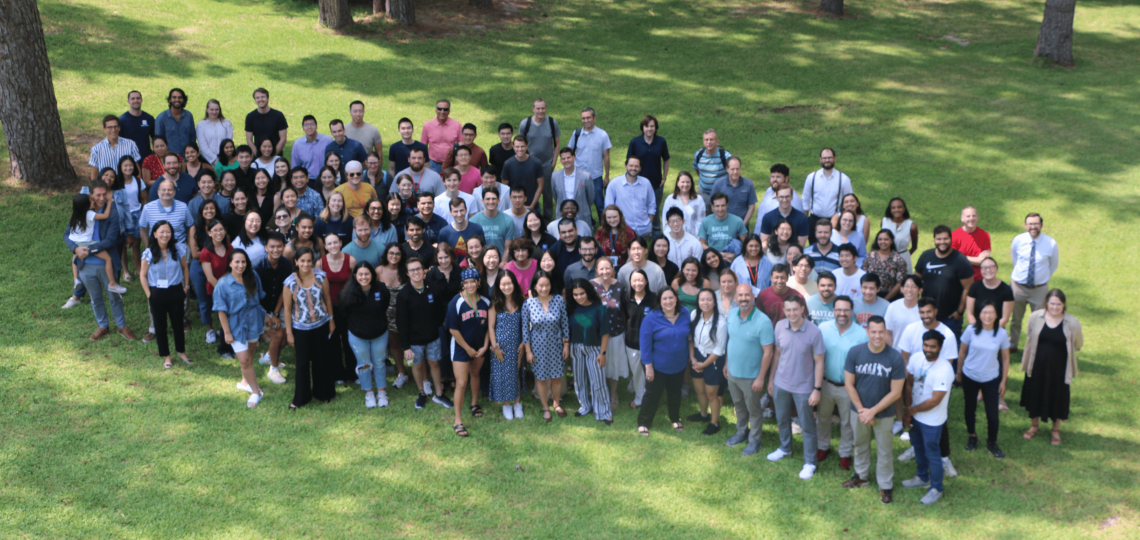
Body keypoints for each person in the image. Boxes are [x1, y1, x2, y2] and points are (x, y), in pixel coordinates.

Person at [843, 316, 907, 503]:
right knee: (860, 444)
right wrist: (863, 410)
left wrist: (873, 411)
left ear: (886, 332)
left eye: (881, 332)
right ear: (867, 332)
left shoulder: (895, 357)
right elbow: (849, 384)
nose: (877, 336)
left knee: (885, 450)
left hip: (884, 414)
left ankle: (885, 485)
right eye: (873, 332)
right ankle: (861, 476)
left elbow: (896, 392)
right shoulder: (855, 352)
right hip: (859, 412)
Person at [896, 299, 959, 476]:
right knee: (915, 422)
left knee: (938, 423)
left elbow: (948, 363)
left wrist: (929, 382)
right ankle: (916, 450)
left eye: (929, 312)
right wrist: (913, 376)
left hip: (935, 386)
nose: (925, 316)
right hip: (915, 382)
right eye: (922, 312)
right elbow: (905, 356)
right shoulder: (911, 329)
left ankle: (944, 457)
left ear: (936, 311)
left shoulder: (947, 334)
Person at [65, 181, 136, 339]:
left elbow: (110, 240)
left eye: (105, 194)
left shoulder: (113, 212)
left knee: (114, 297)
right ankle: (102, 326)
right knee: (95, 298)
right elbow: (67, 234)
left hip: (105, 263)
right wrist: (76, 249)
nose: (102, 198)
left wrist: (88, 250)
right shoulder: (81, 210)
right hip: (85, 265)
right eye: (98, 195)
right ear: (91, 195)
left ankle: (122, 326)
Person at [767, 294, 826, 480]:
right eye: (788, 310)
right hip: (781, 383)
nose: (792, 313)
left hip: (804, 387)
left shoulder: (814, 332)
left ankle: (810, 462)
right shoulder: (779, 326)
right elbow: (777, 354)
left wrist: (817, 389)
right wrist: (771, 380)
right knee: (782, 419)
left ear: (802, 309)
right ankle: (785, 448)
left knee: (807, 426)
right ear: (784, 311)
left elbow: (819, 362)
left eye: (795, 309)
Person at [1020, 289, 1081, 446]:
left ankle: (1055, 431)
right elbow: (1029, 334)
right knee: (1035, 395)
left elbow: (1078, 344)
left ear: (1063, 305)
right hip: (1037, 366)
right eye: (1052, 303)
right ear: (1046, 303)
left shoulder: (1072, 323)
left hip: (1059, 370)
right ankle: (1034, 426)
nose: (1054, 307)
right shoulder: (1036, 317)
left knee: (1058, 398)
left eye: (1058, 304)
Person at [900, 331, 954, 505]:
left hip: (932, 420)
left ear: (940, 347)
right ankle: (922, 477)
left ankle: (937, 488)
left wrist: (912, 410)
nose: (928, 350)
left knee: (933, 454)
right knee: (918, 448)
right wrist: (908, 410)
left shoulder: (944, 369)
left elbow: (935, 401)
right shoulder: (916, 358)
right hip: (915, 415)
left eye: (933, 347)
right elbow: (909, 384)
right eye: (926, 345)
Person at [816, 296, 868, 470]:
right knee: (823, 418)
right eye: (838, 309)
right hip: (825, 383)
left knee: (847, 422)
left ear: (852, 312)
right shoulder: (823, 329)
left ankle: (845, 453)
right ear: (833, 311)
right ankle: (822, 446)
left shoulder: (861, 334)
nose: (842, 313)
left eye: (846, 310)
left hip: (848, 387)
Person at [398, 256, 455, 410]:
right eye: (412, 270)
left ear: (423, 271)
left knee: (435, 364)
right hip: (414, 341)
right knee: (416, 366)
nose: (416, 272)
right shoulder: (404, 294)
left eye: (418, 268)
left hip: (433, 337)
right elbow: (401, 322)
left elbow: (441, 310)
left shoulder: (433, 287)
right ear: (407, 273)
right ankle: (422, 392)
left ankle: (439, 394)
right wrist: (406, 347)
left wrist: (436, 325)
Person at [213, 249, 268, 408]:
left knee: (249, 355)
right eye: (236, 261)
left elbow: (258, 299)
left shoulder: (253, 276)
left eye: (243, 261)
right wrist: (227, 332)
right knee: (244, 360)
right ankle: (256, 392)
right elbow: (220, 310)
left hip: (253, 322)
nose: (240, 265)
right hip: (235, 325)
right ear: (230, 263)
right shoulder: (223, 284)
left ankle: (245, 381)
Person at [283, 248, 334, 408]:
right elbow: (287, 309)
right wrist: (289, 333)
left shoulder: (321, 276)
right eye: (302, 260)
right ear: (296, 262)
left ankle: (324, 393)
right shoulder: (289, 282)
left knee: (322, 359)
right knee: (302, 363)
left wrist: (331, 320)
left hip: (321, 324)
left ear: (312, 261)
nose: (305, 264)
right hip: (300, 328)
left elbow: (327, 298)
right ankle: (301, 398)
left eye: (308, 260)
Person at [957, 301, 1010, 457]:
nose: (987, 316)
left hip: (991, 379)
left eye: (991, 312)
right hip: (970, 376)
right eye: (984, 312)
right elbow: (962, 353)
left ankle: (992, 442)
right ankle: (972, 436)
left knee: (992, 414)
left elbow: (1006, 358)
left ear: (996, 315)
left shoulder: (1001, 333)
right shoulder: (970, 330)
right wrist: (959, 372)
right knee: (969, 409)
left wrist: (1003, 381)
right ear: (979, 314)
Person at [637, 288, 690, 435]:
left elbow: (688, 337)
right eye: (664, 299)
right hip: (656, 365)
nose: (668, 301)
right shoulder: (651, 318)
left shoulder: (685, 314)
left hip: (678, 364)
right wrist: (648, 367)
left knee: (675, 394)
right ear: (659, 301)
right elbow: (645, 345)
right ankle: (643, 422)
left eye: (671, 298)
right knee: (652, 395)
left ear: (676, 299)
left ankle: (674, 418)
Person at [339, 260, 390, 408]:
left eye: (367, 273)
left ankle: (381, 392)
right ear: (355, 275)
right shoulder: (347, 293)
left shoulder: (381, 288)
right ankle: (369, 393)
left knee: (380, 363)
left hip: (379, 333)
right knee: (364, 365)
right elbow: (343, 312)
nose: (364, 277)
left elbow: (385, 304)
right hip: (357, 335)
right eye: (360, 274)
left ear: (372, 275)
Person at [523, 271, 570, 422]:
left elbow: (565, 324)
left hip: (556, 344)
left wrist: (566, 346)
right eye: (541, 285)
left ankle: (556, 403)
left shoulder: (559, 300)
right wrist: (528, 351)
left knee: (557, 377)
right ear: (535, 286)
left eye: (547, 284)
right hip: (537, 346)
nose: (544, 288)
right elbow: (525, 329)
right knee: (541, 378)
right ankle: (545, 406)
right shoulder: (528, 303)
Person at [1009, 213, 1059, 352]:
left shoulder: (1050, 243)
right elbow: (1015, 259)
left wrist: (1041, 278)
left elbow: (1053, 264)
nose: (1033, 227)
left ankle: (1035, 347)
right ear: (1025, 225)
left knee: (1039, 321)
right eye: (1030, 224)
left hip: (1039, 290)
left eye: (1036, 223)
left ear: (1041, 225)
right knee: (1016, 319)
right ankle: (1013, 344)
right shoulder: (1018, 240)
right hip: (1018, 287)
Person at [566, 278, 612, 423]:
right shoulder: (571, 308)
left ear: (588, 292)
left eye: (582, 293)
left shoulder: (599, 308)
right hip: (575, 348)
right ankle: (584, 406)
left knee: (597, 381)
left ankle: (603, 412)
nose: (579, 297)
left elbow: (605, 333)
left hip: (594, 349)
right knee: (579, 380)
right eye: (575, 294)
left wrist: (602, 353)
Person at [915, 225, 973, 340]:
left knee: (951, 351)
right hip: (927, 315)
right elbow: (915, 281)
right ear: (934, 239)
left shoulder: (960, 260)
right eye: (939, 239)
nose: (942, 242)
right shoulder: (926, 256)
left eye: (945, 239)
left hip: (950, 317)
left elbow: (968, 288)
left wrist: (959, 312)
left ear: (951, 239)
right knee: (926, 348)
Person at [67, 191, 127, 295]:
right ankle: (112, 283)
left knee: (75, 257)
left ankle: (76, 279)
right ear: (85, 206)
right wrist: (109, 203)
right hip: (87, 243)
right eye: (91, 202)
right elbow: (105, 215)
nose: (93, 202)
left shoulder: (75, 215)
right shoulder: (89, 214)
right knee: (108, 258)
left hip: (76, 243)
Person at [685, 288, 727, 434]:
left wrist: (703, 364)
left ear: (715, 302)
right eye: (702, 299)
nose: (705, 302)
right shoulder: (694, 315)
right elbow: (690, 339)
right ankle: (703, 414)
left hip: (713, 360)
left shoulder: (721, 322)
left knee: (711, 394)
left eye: (709, 299)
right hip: (697, 356)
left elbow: (719, 349)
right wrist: (692, 358)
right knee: (699, 390)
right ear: (698, 302)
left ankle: (714, 423)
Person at [488, 272, 525, 419]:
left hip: (517, 345)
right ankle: (506, 405)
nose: (506, 287)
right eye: (503, 284)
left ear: (514, 284)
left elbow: (525, 324)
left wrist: (523, 343)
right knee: (503, 375)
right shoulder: (495, 303)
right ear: (498, 286)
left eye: (509, 283)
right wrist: (495, 347)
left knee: (515, 373)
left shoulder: (521, 301)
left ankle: (517, 403)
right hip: (500, 347)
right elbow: (491, 327)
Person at [626, 115, 671, 235]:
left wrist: (664, 177)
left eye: (652, 126)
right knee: (639, 208)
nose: (649, 129)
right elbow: (629, 162)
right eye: (646, 126)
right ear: (642, 128)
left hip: (656, 183)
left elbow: (666, 159)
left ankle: (655, 231)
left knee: (654, 208)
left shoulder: (661, 142)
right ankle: (639, 231)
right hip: (638, 183)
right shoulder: (635, 142)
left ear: (656, 128)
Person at [519, 100, 561, 220]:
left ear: (546, 108)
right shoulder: (525, 123)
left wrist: (554, 162)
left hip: (547, 165)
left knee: (548, 194)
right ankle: (531, 218)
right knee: (531, 194)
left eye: (543, 108)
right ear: (533, 109)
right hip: (530, 165)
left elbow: (557, 144)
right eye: (538, 108)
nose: (540, 111)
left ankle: (547, 221)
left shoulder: (552, 123)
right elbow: (519, 143)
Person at [567, 107, 612, 218]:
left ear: (594, 118)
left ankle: (604, 228)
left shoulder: (602, 135)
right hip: (579, 176)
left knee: (600, 204)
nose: (586, 121)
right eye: (583, 118)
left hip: (595, 177)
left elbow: (606, 157)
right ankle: (587, 223)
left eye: (588, 118)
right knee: (579, 203)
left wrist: (607, 176)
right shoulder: (576, 134)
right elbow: (569, 153)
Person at [192, 217, 231, 345]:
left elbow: (231, 269)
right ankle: (210, 330)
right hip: (214, 285)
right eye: (215, 230)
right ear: (209, 233)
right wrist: (224, 291)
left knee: (226, 310)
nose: (218, 233)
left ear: (225, 231)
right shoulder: (206, 252)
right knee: (208, 306)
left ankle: (223, 330)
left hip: (227, 283)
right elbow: (210, 277)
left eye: (221, 230)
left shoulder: (229, 247)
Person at [621, 270, 655, 409]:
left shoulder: (653, 298)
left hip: (650, 343)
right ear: (630, 282)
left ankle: (650, 397)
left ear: (646, 281)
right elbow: (624, 317)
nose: (637, 283)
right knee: (636, 371)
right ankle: (639, 398)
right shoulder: (627, 298)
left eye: (641, 280)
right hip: (631, 342)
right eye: (634, 280)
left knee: (650, 371)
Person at [604, 157, 655, 236]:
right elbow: (609, 207)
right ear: (626, 166)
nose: (633, 168)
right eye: (631, 165)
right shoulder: (614, 184)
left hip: (643, 229)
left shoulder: (646, 183)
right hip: (623, 230)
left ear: (640, 168)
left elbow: (652, 204)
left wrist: (650, 223)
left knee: (643, 248)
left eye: (636, 166)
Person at [802, 147, 853, 225]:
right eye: (824, 158)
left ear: (834, 158)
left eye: (830, 158)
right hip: (814, 220)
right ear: (820, 159)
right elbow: (805, 200)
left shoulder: (843, 179)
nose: (827, 160)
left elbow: (849, 202)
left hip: (835, 220)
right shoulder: (811, 177)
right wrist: (804, 222)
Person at [501, 135, 545, 214]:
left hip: (532, 207)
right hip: (513, 208)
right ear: (513, 147)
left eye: (522, 146)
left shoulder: (536, 163)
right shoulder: (508, 164)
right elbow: (504, 189)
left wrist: (532, 205)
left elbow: (540, 186)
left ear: (527, 146)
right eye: (517, 147)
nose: (520, 149)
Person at [699, 193, 748, 263]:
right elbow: (702, 243)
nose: (720, 209)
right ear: (712, 206)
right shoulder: (706, 221)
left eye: (723, 205)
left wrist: (736, 254)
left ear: (727, 205)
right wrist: (716, 254)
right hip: (713, 260)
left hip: (731, 259)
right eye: (717, 206)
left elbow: (746, 243)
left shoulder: (737, 221)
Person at [89, 115, 141, 180]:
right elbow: (95, 173)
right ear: (104, 129)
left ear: (119, 128)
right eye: (109, 127)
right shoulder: (96, 149)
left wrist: (138, 185)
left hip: (126, 185)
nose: (113, 130)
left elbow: (137, 169)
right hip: (107, 186)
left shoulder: (131, 144)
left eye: (115, 127)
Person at [863, 229, 908, 300]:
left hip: (889, 297)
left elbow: (899, 283)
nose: (882, 242)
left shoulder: (899, 260)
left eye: (886, 239)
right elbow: (864, 275)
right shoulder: (870, 256)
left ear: (891, 240)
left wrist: (885, 300)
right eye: (880, 239)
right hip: (870, 294)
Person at [712, 157, 757, 227]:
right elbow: (713, 206)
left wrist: (743, 225)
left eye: (737, 169)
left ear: (740, 168)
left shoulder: (749, 184)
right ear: (727, 169)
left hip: (742, 226)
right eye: (732, 169)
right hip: (723, 225)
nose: (735, 172)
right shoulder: (718, 184)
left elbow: (751, 207)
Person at [470, 189, 519, 253]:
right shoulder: (473, 221)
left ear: (499, 200)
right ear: (482, 201)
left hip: (501, 260)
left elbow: (508, 248)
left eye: (494, 199)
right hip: (480, 261)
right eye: (488, 199)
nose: (491, 201)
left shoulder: (508, 220)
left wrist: (503, 262)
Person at [951, 206, 991, 282]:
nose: (971, 218)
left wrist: (961, 258)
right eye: (968, 216)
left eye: (974, 216)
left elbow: (983, 261)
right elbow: (952, 259)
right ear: (962, 218)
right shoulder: (954, 236)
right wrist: (976, 260)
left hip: (979, 279)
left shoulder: (985, 235)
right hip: (959, 279)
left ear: (977, 218)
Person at [421, 99, 462, 173]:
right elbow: (423, 147)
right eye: (440, 109)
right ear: (436, 110)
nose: (442, 112)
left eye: (445, 109)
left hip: (452, 164)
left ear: (449, 111)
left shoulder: (457, 125)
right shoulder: (427, 125)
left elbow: (462, 145)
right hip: (433, 164)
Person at [244, 88, 287, 155]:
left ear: (267, 98)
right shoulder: (250, 117)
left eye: (263, 97)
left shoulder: (278, 115)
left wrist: (273, 155)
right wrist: (258, 155)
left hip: (276, 156)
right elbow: (249, 140)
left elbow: (283, 139)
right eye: (257, 97)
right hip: (258, 157)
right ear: (255, 100)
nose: (260, 99)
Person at [289, 115, 333, 180]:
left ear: (316, 126)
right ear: (303, 127)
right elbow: (295, 166)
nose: (309, 127)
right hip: (307, 180)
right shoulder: (297, 144)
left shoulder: (327, 140)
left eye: (312, 124)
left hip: (326, 179)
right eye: (306, 125)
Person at [882, 197, 919, 273]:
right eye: (893, 208)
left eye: (899, 207)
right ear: (890, 209)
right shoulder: (884, 221)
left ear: (904, 208)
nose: (896, 210)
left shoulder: (911, 226)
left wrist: (905, 254)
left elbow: (914, 247)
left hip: (903, 259)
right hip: (886, 257)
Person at [661, 172, 704, 237]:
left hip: (693, 238)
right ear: (678, 183)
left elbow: (700, 221)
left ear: (691, 183)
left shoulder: (699, 200)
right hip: (674, 238)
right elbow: (665, 221)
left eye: (688, 182)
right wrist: (669, 238)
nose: (685, 184)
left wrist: (696, 239)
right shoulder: (670, 199)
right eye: (683, 182)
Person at [692, 129, 731, 201]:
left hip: (721, 195)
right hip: (703, 194)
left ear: (717, 140)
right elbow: (697, 170)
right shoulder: (698, 155)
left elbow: (732, 173)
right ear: (703, 141)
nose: (709, 142)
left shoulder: (725, 156)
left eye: (711, 139)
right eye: (706, 140)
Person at [155, 88, 195, 158]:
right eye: (174, 97)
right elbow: (158, 141)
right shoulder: (161, 118)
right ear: (170, 99)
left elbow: (192, 137)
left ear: (183, 100)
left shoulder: (189, 116)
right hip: (170, 159)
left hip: (187, 158)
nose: (177, 100)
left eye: (180, 97)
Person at [120, 90, 155, 161]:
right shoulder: (121, 120)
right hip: (129, 160)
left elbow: (155, 138)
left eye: (138, 98)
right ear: (128, 101)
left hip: (146, 159)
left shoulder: (149, 118)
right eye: (133, 98)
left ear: (141, 100)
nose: (136, 100)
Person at [195, 99, 232, 165]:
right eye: (211, 109)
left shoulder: (226, 123)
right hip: (206, 160)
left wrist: (222, 158)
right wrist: (215, 159)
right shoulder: (201, 125)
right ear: (207, 110)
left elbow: (229, 142)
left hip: (224, 159)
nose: (214, 112)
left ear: (219, 110)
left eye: (216, 109)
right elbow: (202, 145)